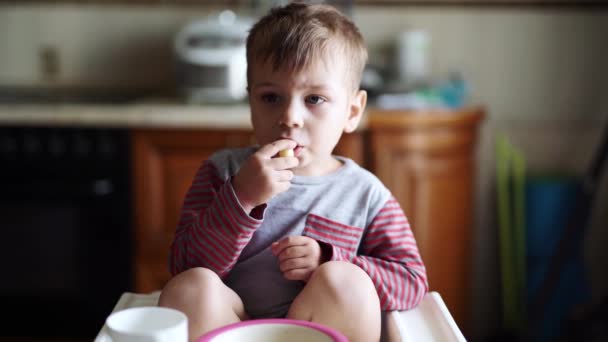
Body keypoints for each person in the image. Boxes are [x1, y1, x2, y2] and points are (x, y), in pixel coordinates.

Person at [158, 3, 428, 342]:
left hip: (316, 331)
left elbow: (412, 281)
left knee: (346, 281)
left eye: (314, 99)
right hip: (233, 327)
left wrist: (329, 259)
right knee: (190, 287)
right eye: (271, 97)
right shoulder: (222, 171)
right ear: (251, 102)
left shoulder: (367, 194)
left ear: (352, 111)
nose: (290, 117)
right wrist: (241, 198)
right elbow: (183, 264)